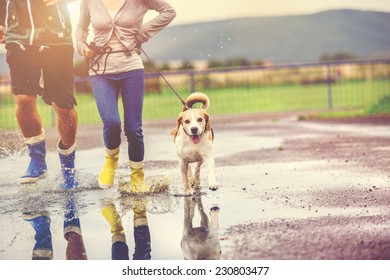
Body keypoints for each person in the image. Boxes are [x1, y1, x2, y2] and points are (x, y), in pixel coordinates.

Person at [76, 0, 176, 193]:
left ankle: (137, 176)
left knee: (133, 129)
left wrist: (142, 33)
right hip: (100, 71)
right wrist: (82, 46)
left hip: (131, 68)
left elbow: (168, 11)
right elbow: (81, 28)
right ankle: (111, 161)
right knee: (111, 122)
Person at [0, 0, 78, 189]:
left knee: (63, 106)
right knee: (23, 99)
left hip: (56, 38)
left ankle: (68, 168)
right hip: (18, 36)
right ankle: (37, 160)